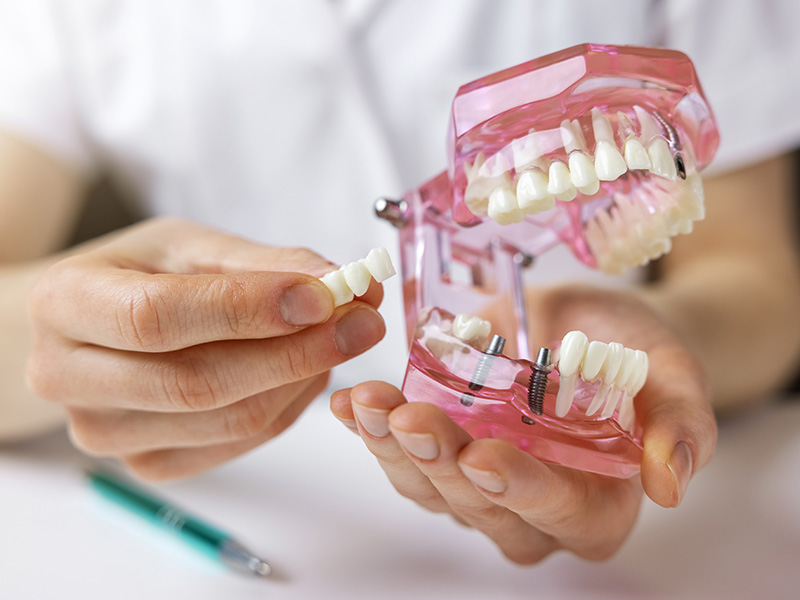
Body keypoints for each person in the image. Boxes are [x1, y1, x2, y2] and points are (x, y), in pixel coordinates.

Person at [1, 0, 799, 564]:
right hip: (278, 509)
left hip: (704, 537)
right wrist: (70, 337)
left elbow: (752, 273)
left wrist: (664, 352)